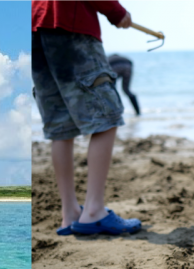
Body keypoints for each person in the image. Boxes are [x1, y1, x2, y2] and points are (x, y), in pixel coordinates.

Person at [33, 0, 142, 235]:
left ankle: (69, 213)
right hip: (69, 24)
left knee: (61, 128)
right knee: (107, 116)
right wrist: (117, 12)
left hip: (34, 27)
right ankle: (93, 211)